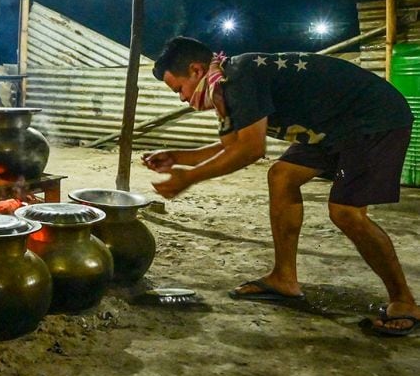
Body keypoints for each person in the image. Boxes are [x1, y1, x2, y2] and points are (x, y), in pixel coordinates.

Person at [142, 36, 418, 336]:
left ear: (196, 70)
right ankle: (284, 278)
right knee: (282, 176)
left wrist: (189, 177)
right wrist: (179, 158)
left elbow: (250, 150)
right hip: (328, 126)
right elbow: (233, 144)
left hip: (372, 118)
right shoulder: (223, 86)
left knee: (345, 212)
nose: (182, 98)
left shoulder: (241, 76)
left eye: (178, 89)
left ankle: (404, 301)